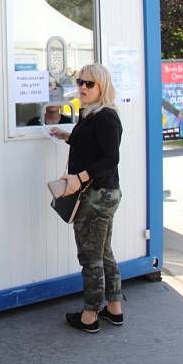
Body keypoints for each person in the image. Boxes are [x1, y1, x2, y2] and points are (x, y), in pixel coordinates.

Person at [50, 63, 123, 333]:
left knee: (90, 257)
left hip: (97, 195)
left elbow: (110, 157)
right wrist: (66, 136)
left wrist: (80, 177)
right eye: (80, 82)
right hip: (99, 193)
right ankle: (114, 309)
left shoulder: (106, 116)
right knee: (103, 253)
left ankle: (90, 315)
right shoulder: (89, 113)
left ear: (101, 86)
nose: (82, 87)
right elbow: (91, 145)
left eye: (89, 83)